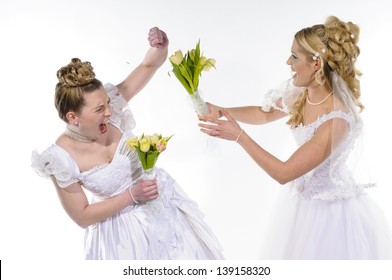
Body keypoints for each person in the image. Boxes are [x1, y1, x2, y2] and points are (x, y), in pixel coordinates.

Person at [199, 16, 392, 259]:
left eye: (294, 56)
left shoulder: (336, 121)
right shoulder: (301, 91)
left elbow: (284, 172)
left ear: (316, 64)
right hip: (302, 204)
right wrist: (221, 110)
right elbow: (264, 114)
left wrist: (239, 137)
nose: (287, 62)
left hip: (331, 215)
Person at [31, 27, 223, 260]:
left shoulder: (112, 110)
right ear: (73, 117)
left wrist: (159, 47)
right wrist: (131, 196)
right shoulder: (59, 159)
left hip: (164, 212)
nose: (110, 112)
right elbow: (82, 216)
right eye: (100, 109)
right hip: (122, 238)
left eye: (108, 103)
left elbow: (148, 66)